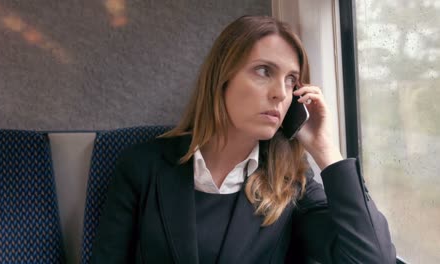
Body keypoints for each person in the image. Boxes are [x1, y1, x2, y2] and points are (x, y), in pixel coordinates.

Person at [91, 15, 396, 263]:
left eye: (291, 80)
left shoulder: (291, 185)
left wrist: (325, 150)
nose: (281, 93)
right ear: (221, 80)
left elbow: (372, 259)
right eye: (264, 71)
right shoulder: (142, 166)